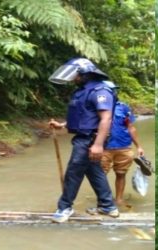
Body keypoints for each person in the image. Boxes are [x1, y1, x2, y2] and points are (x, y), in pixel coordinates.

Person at [48, 58, 119, 223]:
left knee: (73, 172)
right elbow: (85, 116)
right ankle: (108, 206)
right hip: (85, 137)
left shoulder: (100, 91)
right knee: (94, 171)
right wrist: (62, 125)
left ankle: (65, 207)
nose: (74, 79)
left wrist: (98, 144)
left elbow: (105, 119)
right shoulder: (83, 91)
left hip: (90, 139)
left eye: (76, 75)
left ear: (85, 74)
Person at [100, 81, 144, 207]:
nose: (114, 93)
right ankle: (104, 200)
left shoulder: (123, 107)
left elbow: (131, 127)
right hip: (104, 148)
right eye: (111, 90)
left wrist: (139, 146)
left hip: (123, 147)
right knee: (100, 175)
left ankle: (119, 199)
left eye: (114, 90)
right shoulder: (98, 107)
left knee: (121, 173)